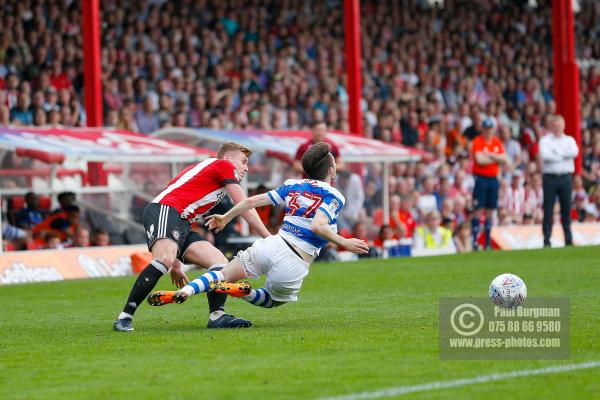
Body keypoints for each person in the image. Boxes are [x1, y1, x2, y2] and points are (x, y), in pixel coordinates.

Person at [146, 143, 368, 312]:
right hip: (295, 260)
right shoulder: (334, 195)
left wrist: (226, 217)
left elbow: (250, 201)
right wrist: (345, 242)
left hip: (270, 245)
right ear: (332, 169)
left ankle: (185, 291)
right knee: (272, 300)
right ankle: (243, 292)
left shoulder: (293, 185)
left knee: (221, 274)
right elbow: (318, 226)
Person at [113, 142, 271, 332]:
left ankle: (217, 316)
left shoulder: (212, 171)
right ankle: (124, 317)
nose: (246, 167)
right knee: (164, 259)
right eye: (244, 161)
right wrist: (269, 238)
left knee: (220, 263)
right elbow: (245, 206)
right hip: (165, 210)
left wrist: (177, 264)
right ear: (227, 158)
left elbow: (186, 203)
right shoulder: (223, 165)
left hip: (180, 221)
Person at [539, 115, 579, 247]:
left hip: (565, 177)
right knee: (548, 209)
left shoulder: (569, 140)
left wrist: (557, 152)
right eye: (555, 125)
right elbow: (546, 156)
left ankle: (568, 239)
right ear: (551, 127)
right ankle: (546, 240)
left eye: (559, 125)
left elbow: (574, 152)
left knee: (566, 209)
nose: (557, 128)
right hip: (550, 177)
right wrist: (564, 155)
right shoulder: (545, 140)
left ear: (563, 126)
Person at [470, 118, 508, 249]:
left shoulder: (496, 141)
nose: (488, 132)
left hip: (493, 178)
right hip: (481, 178)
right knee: (478, 209)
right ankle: (475, 241)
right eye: (486, 129)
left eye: (490, 129)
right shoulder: (478, 141)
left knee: (490, 210)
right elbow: (479, 159)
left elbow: (504, 158)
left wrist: (489, 155)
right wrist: (495, 158)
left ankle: (487, 242)